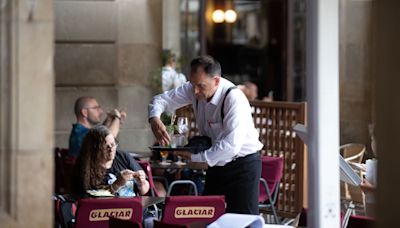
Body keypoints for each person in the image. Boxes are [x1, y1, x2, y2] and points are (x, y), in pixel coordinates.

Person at [148, 55, 263, 215]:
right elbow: (160, 100)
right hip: (217, 164)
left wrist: (195, 158)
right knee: (209, 216)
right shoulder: (194, 89)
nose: (195, 91)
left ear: (216, 81)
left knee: (244, 222)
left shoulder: (233, 98)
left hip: (243, 166)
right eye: (193, 84)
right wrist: (154, 119)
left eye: (200, 86)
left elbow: (231, 146)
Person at [71, 125, 149, 196]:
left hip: (133, 207)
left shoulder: (122, 156)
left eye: (113, 144)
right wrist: (116, 185)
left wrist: (141, 184)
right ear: (95, 149)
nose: (111, 149)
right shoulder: (85, 168)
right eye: (105, 147)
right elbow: (90, 199)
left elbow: (144, 190)